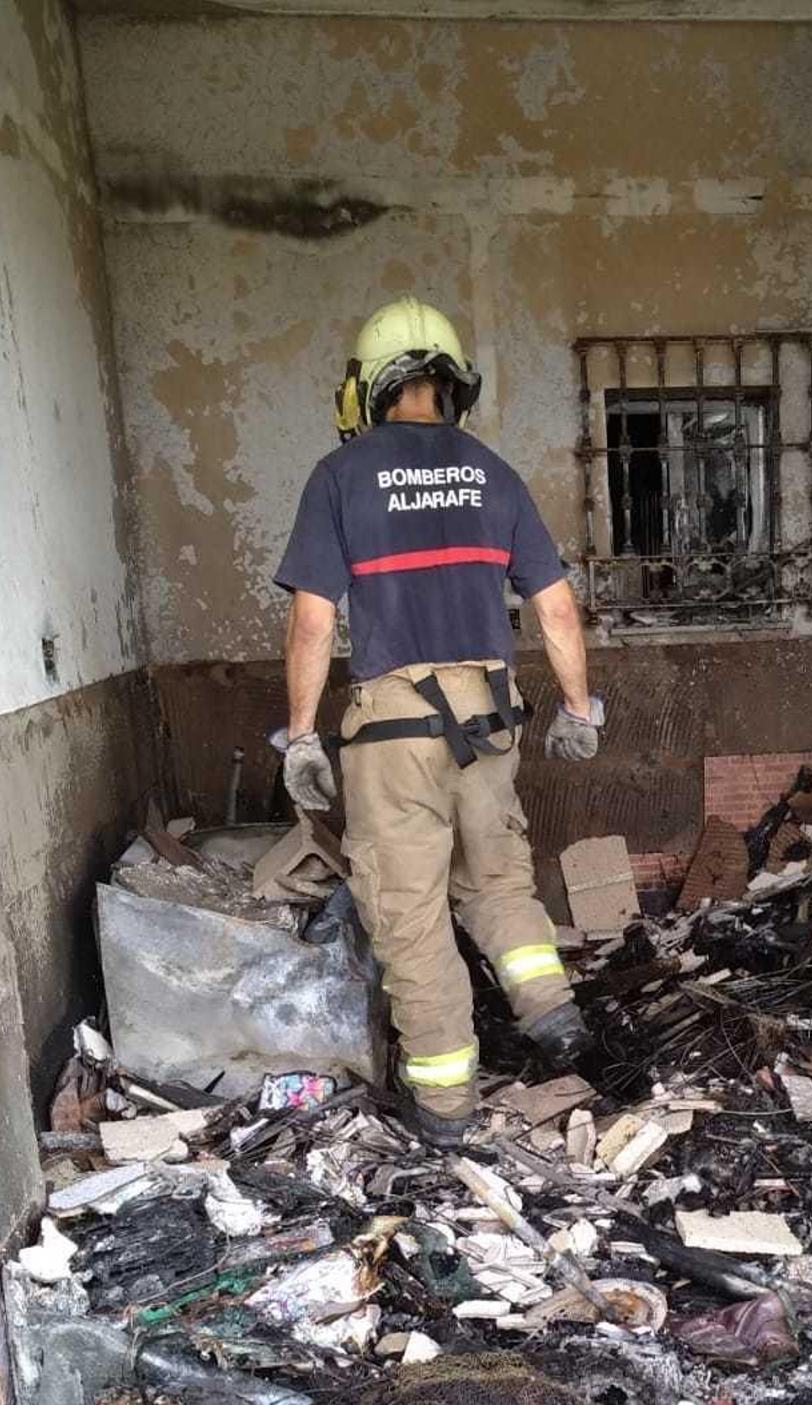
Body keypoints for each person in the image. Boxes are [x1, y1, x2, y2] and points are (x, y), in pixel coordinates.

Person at [274, 297, 603, 1149]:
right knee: (496, 879)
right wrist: (578, 707)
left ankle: (447, 1100)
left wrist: (302, 733)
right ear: (453, 383)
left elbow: (313, 621)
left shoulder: (340, 477)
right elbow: (555, 607)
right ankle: (551, 1010)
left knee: (409, 911)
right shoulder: (494, 472)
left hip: (393, 731)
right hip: (490, 720)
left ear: (369, 385)